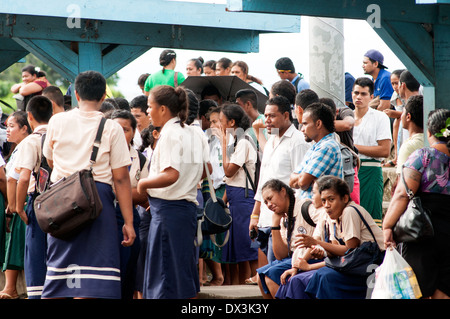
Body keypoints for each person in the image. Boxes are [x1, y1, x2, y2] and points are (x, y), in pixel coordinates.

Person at [42, 70, 135, 299]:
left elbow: (50, 159)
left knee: (60, 274)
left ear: (76, 94)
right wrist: (128, 222)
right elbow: (121, 178)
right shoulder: (111, 127)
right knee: (94, 279)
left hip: (62, 200)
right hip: (98, 201)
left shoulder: (57, 120)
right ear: (104, 97)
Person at [137, 85, 209, 299]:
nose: (147, 111)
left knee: (165, 280)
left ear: (163, 109)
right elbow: (206, 170)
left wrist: (144, 185)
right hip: (184, 211)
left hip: (168, 213)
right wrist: (187, 182)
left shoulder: (170, 134)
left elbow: (171, 174)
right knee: (181, 278)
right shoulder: (193, 132)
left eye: (150, 107)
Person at [277, 175, 384, 299]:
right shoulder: (333, 217)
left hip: (371, 265)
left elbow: (350, 250)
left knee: (323, 276)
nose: (326, 205)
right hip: (353, 265)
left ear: (344, 198)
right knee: (295, 280)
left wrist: (316, 245)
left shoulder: (350, 211)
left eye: (331, 199)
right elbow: (335, 250)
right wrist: (312, 258)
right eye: (323, 201)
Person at [383, 108, 450, 299]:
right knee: (444, 289)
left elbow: (402, 195)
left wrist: (387, 225)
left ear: (429, 132)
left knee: (419, 290)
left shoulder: (423, 156)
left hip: (422, 232)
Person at [248, 96, 310, 282]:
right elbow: (263, 180)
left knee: (277, 276)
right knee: (270, 274)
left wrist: (291, 217)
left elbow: (300, 183)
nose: (267, 120)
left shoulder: (298, 141)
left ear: (285, 115)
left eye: (272, 116)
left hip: (285, 219)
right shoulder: (272, 139)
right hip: (267, 218)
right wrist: (255, 214)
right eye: (265, 116)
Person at [256, 179, 323, 299]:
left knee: (271, 276)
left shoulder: (305, 207)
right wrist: (275, 226)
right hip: (293, 258)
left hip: (313, 257)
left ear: (283, 191)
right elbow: (280, 255)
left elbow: (324, 221)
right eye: (266, 202)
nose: (269, 204)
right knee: (259, 277)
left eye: (270, 198)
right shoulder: (283, 217)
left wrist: (313, 246)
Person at [13, 96, 52, 299]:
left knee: (36, 257)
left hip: (37, 204)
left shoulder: (31, 141)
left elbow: (23, 177)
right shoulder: (58, 137)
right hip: (61, 203)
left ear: (29, 116)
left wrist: (19, 207)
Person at [218, 103, 258, 285]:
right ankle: (243, 287)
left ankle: (255, 288)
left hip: (243, 199)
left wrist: (224, 142)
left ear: (232, 122)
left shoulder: (242, 142)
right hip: (235, 198)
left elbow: (228, 172)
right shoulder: (238, 141)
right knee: (240, 253)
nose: (219, 125)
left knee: (247, 249)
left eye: (221, 121)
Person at [110, 109, 149, 299]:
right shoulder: (101, 157)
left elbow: (145, 195)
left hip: (132, 219)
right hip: (107, 219)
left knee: (128, 274)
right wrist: (129, 192)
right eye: (116, 128)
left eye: (125, 129)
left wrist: (120, 192)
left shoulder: (140, 159)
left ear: (134, 132)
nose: (119, 133)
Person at [352, 77, 391, 227]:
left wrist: (353, 148)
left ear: (371, 97)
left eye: (363, 94)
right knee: (350, 218)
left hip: (371, 170)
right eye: (356, 93)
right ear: (351, 94)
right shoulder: (346, 117)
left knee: (370, 220)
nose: (359, 97)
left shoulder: (380, 117)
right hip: (349, 171)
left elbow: (385, 150)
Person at [0, 111, 31, 299]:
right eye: (7, 126)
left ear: (24, 128)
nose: (7, 130)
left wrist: (14, 205)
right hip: (15, 204)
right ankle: (11, 287)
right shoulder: (18, 148)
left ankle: (12, 287)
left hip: (21, 203)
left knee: (17, 247)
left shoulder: (27, 145)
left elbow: (12, 180)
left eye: (12, 126)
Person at [289, 102, 343, 199]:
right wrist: (303, 177)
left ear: (318, 124)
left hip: (321, 211)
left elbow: (302, 183)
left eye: (305, 124)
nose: (302, 129)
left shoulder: (327, 147)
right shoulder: (316, 147)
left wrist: (301, 177)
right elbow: (291, 181)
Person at [319, 97, 360, 204]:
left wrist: (320, 125)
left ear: (336, 112)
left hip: (348, 169)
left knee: (351, 206)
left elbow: (348, 124)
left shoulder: (344, 111)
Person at [395, 95, 424, 180]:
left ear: (408, 116)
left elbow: (402, 181)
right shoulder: (432, 142)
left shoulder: (408, 146)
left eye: (403, 113)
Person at [382, 69, 406, 167]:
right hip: (401, 120)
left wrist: (393, 113)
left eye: (396, 83)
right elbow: (400, 113)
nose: (395, 87)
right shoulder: (395, 95)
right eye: (392, 84)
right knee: (396, 122)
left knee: (397, 121)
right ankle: (397, 156)